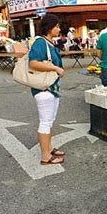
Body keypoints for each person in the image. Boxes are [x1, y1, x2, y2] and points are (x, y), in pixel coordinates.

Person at [29, 14, 66, 165]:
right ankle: (45, 156)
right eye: (56, 26)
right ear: (49, 28)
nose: (59, 29)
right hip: (43, 89)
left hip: (52, 89)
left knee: (50, 121)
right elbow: (33, 63)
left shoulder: (49, 43)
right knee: (45, 122)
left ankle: (49, 148)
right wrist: (56, 67)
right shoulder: (40, 42)